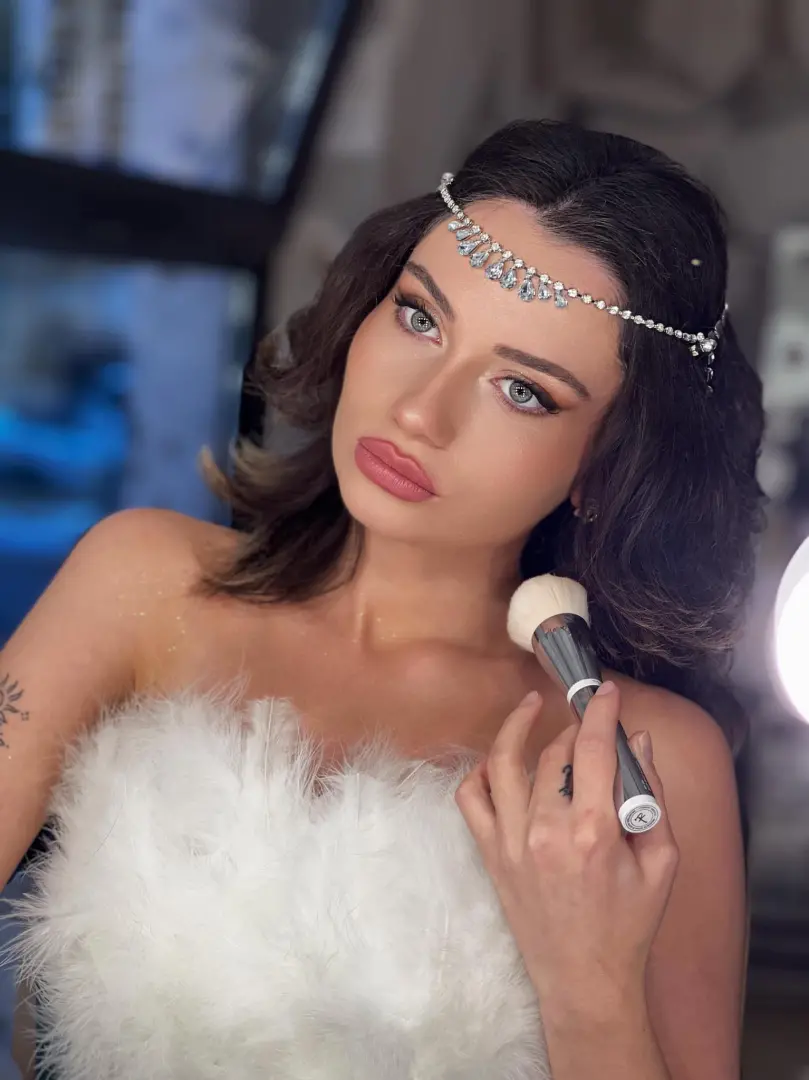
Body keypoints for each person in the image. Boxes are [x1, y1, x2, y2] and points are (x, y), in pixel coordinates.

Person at [0, 119, 764, 1080]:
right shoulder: (143, 582)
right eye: (419, 318)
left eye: (522, 391)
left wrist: (588, 983)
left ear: (605, 468)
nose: (418, 410)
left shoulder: (647, 760)